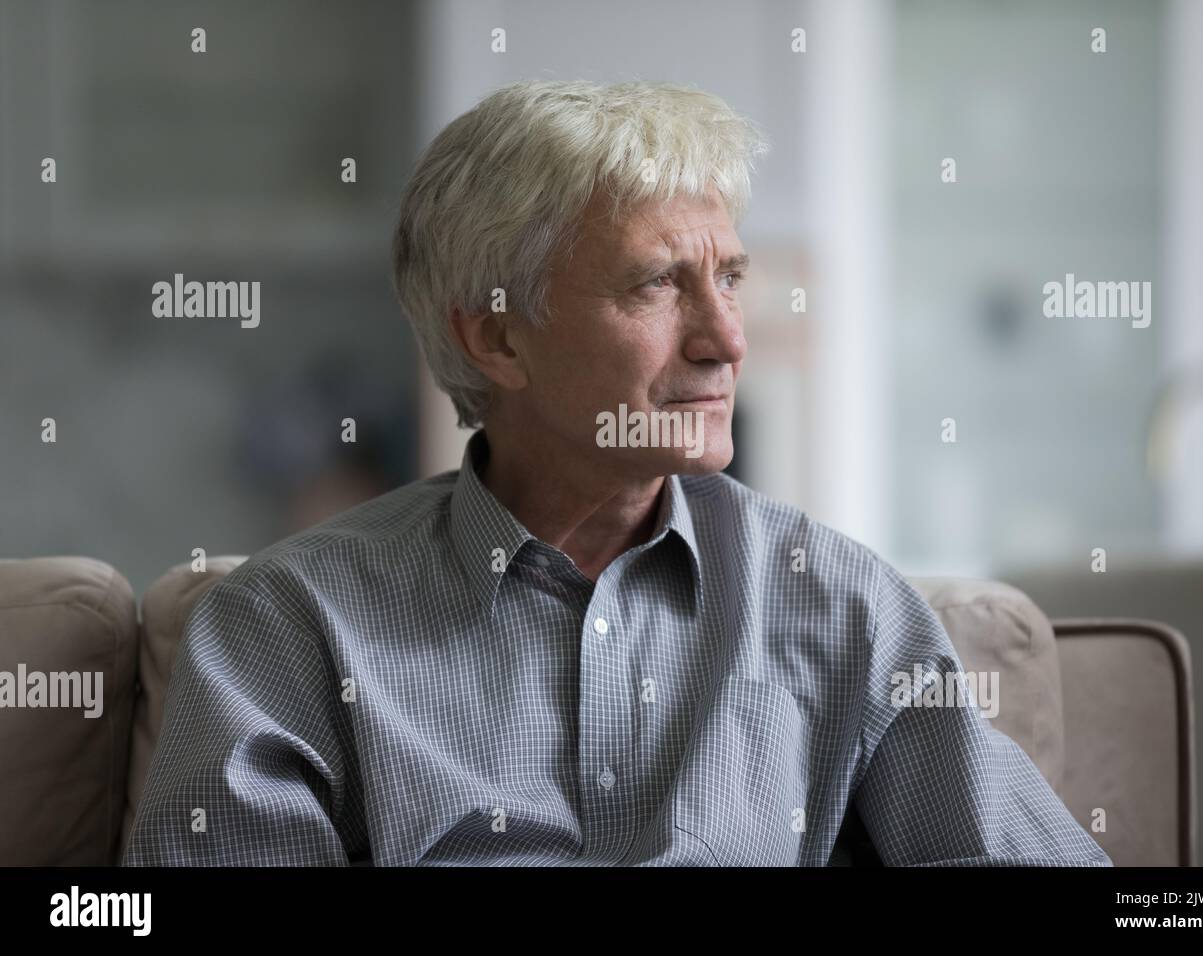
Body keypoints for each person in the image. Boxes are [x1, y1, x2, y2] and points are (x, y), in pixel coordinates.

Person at [122, 79, 1110, 867]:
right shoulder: (288, 626)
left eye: (727, 277)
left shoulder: (842, 603)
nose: (726, 339)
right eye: (656, 283)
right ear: (498, 335)